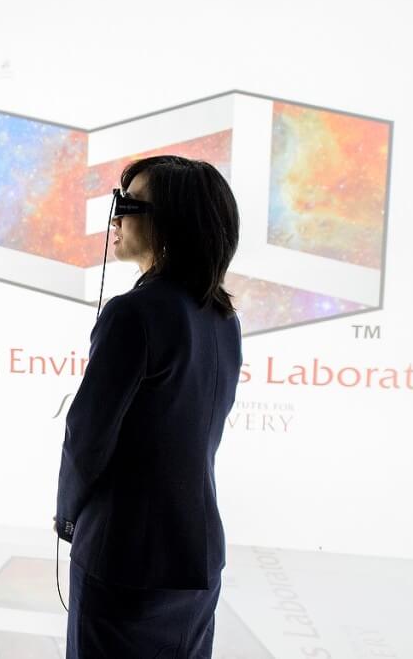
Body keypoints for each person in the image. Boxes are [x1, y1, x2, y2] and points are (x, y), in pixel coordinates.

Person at [55, 155, 242, 658]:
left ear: (172, 222)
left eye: (127, 204)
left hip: (123, 557)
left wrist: (68, 517)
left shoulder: (133, 313)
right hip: (198, 553)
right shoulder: (223, 316)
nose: (114, 218)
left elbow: (86, 437)